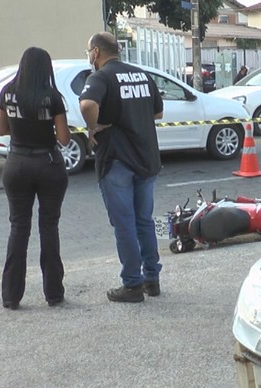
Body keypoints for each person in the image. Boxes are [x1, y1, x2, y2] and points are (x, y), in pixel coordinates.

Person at [80, 32, 164, 303]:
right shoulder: (141, 75)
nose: (89, 56)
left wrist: (94, 126)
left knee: (124, 223)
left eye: (88, 51)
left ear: (96, 52)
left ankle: (132, 284)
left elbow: (87, 104)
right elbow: (158, 111)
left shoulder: (100, 77)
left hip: (117, 159)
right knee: (144, 220)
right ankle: (152, 278)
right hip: (146, 157)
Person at [0, 47, 71, 309]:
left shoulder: (7, 92)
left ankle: (11, 296)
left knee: (18, 227)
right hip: (48, 163)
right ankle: (53, 293)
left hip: (17, 163)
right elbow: (64, 139)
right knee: (49, 227)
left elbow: (1, 128)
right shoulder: (52, 96)